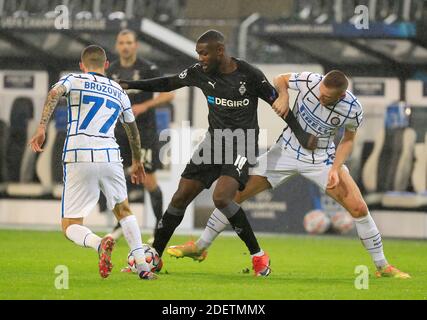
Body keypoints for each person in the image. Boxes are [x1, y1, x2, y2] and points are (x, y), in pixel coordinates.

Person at [168, 70, 411, 279]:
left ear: (341, 96)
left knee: (359, 208)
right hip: (283, 153)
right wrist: (284, 96)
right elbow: (279, 78)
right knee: (231, 196)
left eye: (327, 97)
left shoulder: (353, 108)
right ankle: (200, 247)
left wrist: (336, 169)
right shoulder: (310, 81)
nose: (320, 97)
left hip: (321, 160)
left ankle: (382, 266)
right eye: (320, 92)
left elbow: (348, 140)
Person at [120, 30, 317, 276]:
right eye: (198, 53)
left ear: (220, 51)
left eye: (204, 53)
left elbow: (279, 104)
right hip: (213, 143)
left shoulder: (250, 75)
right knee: (180, 196)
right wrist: (129, 85)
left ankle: (259, 257)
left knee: (222, 198)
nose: (200, 58)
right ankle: (155, 256)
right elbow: (168, 82)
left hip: (242, 144)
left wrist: (301, 135)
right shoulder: (199, 73)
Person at [28, 45, 158, 280]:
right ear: (107, 65)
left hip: (79, 154)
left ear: (82, 65)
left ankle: (99, 243)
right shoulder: (118, 89)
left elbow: (54, 93)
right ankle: (143, 267)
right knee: (124, 210)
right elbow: (132, 130)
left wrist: (41, 128)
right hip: (110, 155)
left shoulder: (74, 79)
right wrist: (137, 160)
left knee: (70, 225)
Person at [102, 29, 175, 243]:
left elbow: (168, 93)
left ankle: (159, 226)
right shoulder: (112, 70)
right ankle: (120, 224)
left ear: (135, 46)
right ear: (117, 46)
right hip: (119, 133)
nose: (125, 46)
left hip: (144, 132)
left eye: (129, 42)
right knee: (118, 180)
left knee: (148, 179)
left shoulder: (148, 68)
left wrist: (145, 105)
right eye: (121, 42)